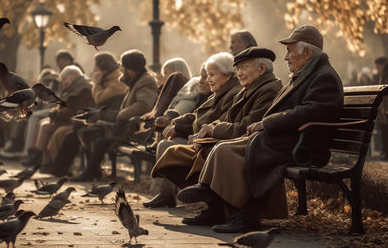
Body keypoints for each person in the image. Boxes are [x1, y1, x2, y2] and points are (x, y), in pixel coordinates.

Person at [177, 25, 344, 233]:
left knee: (253, 145)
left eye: (290, 50)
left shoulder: (323, 76)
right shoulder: (307, 74)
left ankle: (248, 215)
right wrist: (265, 125)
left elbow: (311, 111)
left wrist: (267, 123)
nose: (286, 57)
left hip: (305, 145)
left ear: (307, 52)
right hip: (290, 138)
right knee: (224, 148)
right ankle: (215, 199)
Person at [149, 48, 283, 219]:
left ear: (262, 69)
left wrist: (210, 129)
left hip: (250, 144)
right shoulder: (248, 88)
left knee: (212, 151)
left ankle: (216, 205)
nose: (239, 73)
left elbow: (244, 126)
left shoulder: (266, 89)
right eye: (238, 68)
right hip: (232, 140)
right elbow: (218, 118)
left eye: (243, 68)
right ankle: (212, 202)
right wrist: (201, 127)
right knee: (171, 154)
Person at [144, 53, 242, 208]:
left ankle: (208, 202)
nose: (205, 80)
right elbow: (197, 115)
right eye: (205, 76)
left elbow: (221, 122)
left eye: (211, 75)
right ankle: (168, 195)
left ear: (228, 75)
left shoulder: (231, 93)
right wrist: (173, 121)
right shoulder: (219, 92)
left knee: (168, 147)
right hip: (201, 138)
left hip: (211, 142)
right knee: (166, 146)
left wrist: (191, 131)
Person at [71, 49, 158, 182]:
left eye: (123, 66)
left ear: (131, 69)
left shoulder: (146, 81)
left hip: (136, 130)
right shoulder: (135, 80)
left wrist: (122, 115)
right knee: (91, 133)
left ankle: (90, 173)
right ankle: (94, 171)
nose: (120, 69)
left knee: (100, 141)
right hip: (127, 126)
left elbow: (144, 105)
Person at [43, 52, 128, 177]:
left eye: (97, 67)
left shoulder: (116, 81)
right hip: (102, 119)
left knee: (78, 133)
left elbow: (98, 99)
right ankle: (59, 169)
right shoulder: (107, 80)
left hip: (111, 123)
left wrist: (97, 83)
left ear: (104, 67)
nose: (94, 70)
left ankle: (82, 171)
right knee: (72, 135)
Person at [23, 65, 94, 167]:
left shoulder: (84, 88)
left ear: (74, 75)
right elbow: (61, 106)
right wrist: (55, 112)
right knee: (41, 122)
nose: (63, 82)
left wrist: (57, 113)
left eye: (64, 79)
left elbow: (77, 109)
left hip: (72, 121)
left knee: (45, 126)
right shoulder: (73, 87)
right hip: (65, 118)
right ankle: (34, 154)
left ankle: (39, 158)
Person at [374, 56, 388, 159]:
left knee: (385, 131)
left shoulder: (385, 75)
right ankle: (385, 151)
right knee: (383, 131)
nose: (377, 68)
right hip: (383, 109)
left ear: (382, 65)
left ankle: (386, 152)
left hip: (386, 108)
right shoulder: (382, 75)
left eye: (378, 66)